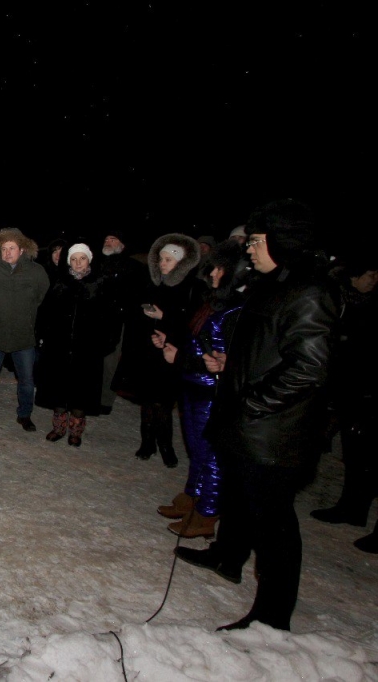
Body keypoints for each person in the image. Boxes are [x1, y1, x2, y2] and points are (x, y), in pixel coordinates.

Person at [175, 199, 337, 631]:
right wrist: (232, 365)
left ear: (283, 243)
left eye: (258, 242)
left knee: (274, 524)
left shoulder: (310, 292)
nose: (249, 250)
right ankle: (227, 557)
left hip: (273, 431)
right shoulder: (270, 284)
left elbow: (309, 368)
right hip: (245, 420)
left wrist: (251, 400)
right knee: (237, 497)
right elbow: (269, 351)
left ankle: (271, 614)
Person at [153, 240, 246, 538]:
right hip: (192, 383)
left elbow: (229, 358)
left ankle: (207, 511)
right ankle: (193, 495)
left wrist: (179, 357)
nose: (213, 273)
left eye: (219, 269)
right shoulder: (213, 302)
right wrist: (173, 345)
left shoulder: (236, 311)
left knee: (211, 454)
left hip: (211, 391)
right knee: (195, 447)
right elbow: (195, 339)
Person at [113, 233, 202, 467]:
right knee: (147, 400)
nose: (162, 264)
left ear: (181, 263)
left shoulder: (192, 288)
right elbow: (134, 314)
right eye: (161, 259)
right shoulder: (151, 284)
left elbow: (193, 324)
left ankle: (166, 446)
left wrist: (165, 318)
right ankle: (147, 443)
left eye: (168, 260)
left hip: (171, 354)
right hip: (148, 351)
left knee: (162, 403)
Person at [309, 252, 378, 552]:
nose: (375, 281)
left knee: (370, 456)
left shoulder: (371, 308)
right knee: (355, 452)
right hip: (350, 388)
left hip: (368, 390)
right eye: (370, 275)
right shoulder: (340, 300)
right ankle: (352, 507)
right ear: (354, 276)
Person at [0, 228, 50, 431]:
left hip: (23, 335)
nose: (7, 253)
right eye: (4, 248)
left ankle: (25, 415)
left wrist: (27, 313)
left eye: (12, 248)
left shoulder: (36, 271)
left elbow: (43, 295)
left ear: (22, 249)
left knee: (26, 379)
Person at [36, 243, 112, 446]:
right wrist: (43, 336)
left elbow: (109, 318)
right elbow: (46, 313)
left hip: (87, 349)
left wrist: (104, 343)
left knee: (81, 392)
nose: (78, 263)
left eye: (82, 258)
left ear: (89, 260)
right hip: (59, 347)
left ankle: (76, 430)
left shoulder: (100, 283)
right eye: (74, 259)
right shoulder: (61, 282)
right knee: (59, 389)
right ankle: (58, 427)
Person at [98, 229, 145, 416]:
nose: (108, 241)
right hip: (96, 320)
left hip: (118, 323)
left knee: (110, 364)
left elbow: (137, 297)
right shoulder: (97, 263)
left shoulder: (134, 267)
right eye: (106, 238)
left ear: (122, 245)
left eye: (113, 239)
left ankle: (105, 401)